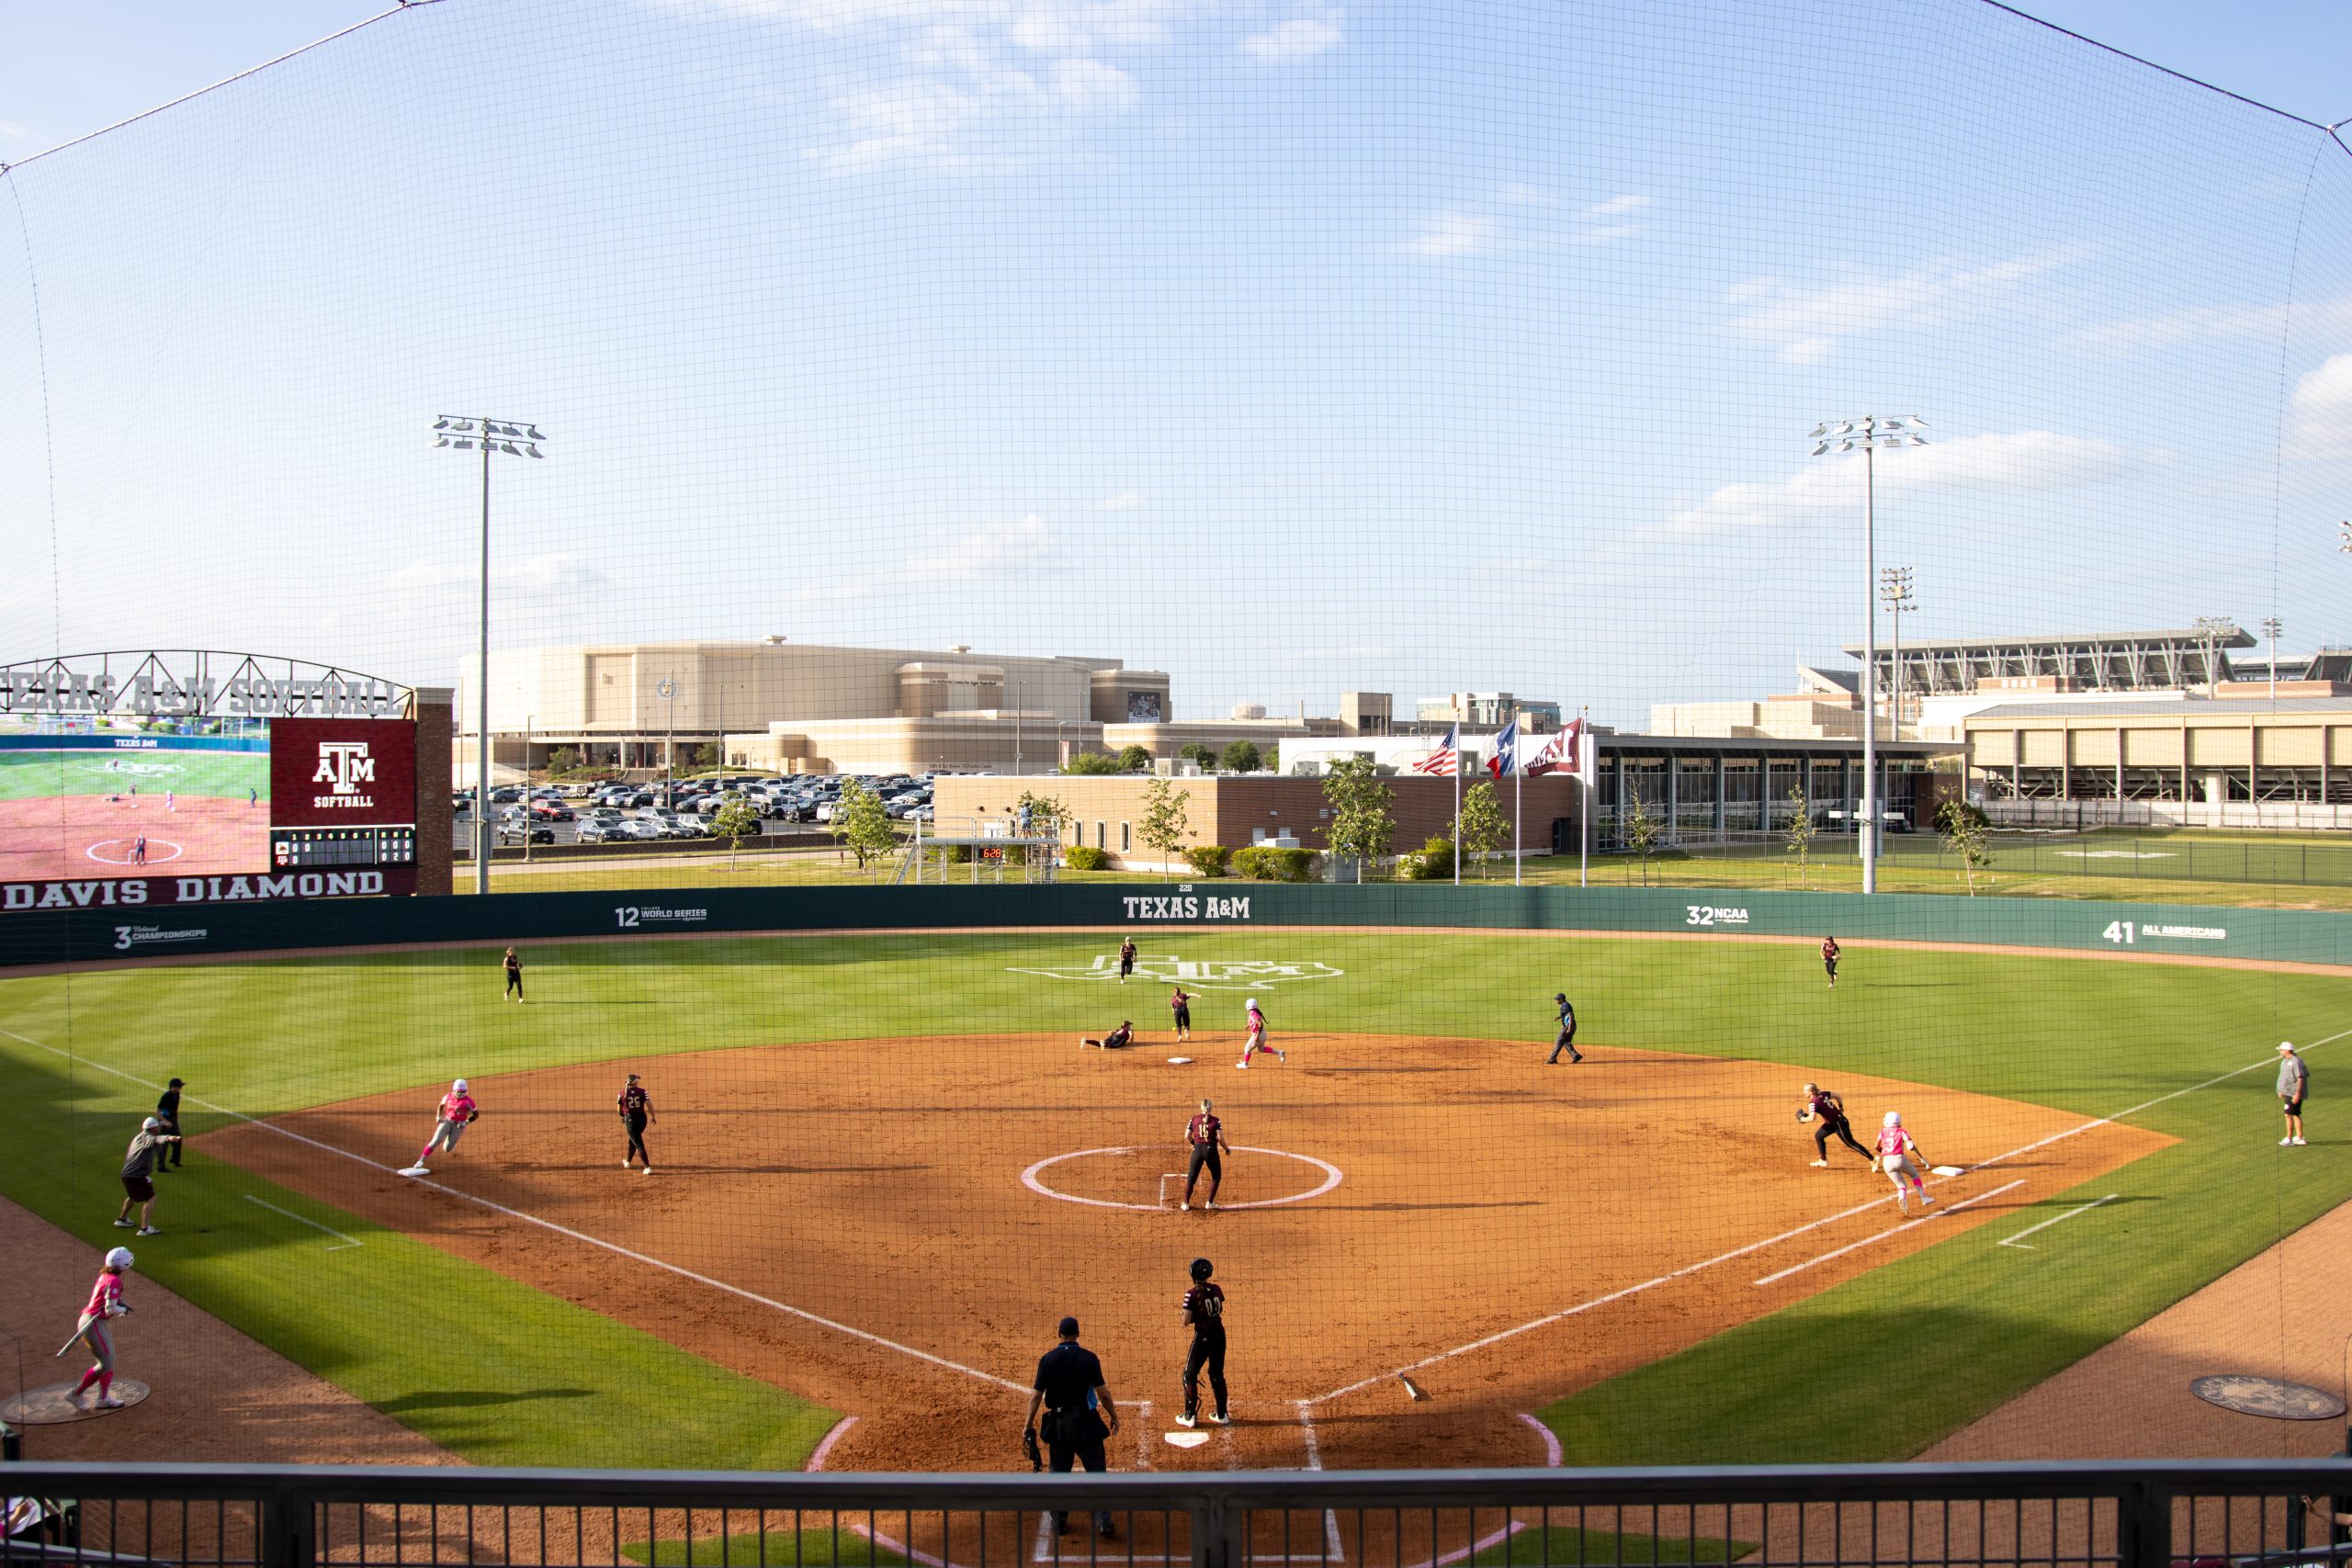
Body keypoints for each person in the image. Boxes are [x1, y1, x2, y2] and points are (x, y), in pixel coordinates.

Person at [1024, 1315, 1119, 1540]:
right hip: (1085, 1424)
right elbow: (1103, 1394)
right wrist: (1114, 1416)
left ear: (1059, 1334)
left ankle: (1059, 1522)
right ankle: (1104, 1522)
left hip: (1058, 1427)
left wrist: (1027, 1425)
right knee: (1097, 1474)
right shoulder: (1089, 1359)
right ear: (1078, 1334)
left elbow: (1036, 1396)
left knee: (1059, 1475)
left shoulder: (1047, 1360)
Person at [66, 1247, 137, 1410]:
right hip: (93, 1324)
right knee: (104, 1364)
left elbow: (112, 1300)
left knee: (108, 1362)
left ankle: (103, 1399)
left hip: (95, 1322)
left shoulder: (107, 1276)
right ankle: (75, 1394)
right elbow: (110, 1309)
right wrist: (123, 1310)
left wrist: (122, 1303)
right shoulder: (114, 1280)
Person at [1176, 1257, 1229, 1427]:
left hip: (1203, 1336)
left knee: (1189, 1375)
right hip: (1219, 1334)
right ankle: (1222, 1414)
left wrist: (1188, 1316)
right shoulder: (1216, 1289)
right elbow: (1217, 1309)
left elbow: (1185, 1321)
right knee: (1216, 1374)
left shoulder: (1190, 1294)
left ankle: (1189, 1415)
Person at [112, 1118, 180, 1235]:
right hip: (136, 1175)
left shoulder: (138, 1136)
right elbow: (154, 1140)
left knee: (133, 1196)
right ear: (153, 1128)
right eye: (158, 1127)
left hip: (127, 1174)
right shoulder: (147, 1137)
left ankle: (122, 1219)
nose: (159, 1128)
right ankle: (144, 1229)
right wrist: (169, 1138)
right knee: (150, 1198)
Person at [401, 1079, 478, 1177]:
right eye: (459, 1091)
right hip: (447, 1121)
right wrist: (438, 1116)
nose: (461, 1094)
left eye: (463, 1092)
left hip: (458, 1126)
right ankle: (420, 1161)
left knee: (447, 1149)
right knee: (435, 1141)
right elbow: (441, 1106)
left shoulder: (468, 1101)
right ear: (454, 1090)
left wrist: (466, 1122)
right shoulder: (448, 1097)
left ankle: (452, 1144)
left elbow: (476, 1115)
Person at [1800, 1082, 1873, 1168]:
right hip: (1833, 1122)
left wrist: (1802, 1119)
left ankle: (1873, 1159)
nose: (1804, 1092)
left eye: (1805, 1091)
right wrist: (1841, 1107)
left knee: (1850, 1143)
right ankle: (1823, 1161)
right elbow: (1838, 1095)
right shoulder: (1823, 1094)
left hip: (1839, 1124)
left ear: (1811, 1092)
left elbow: (1812, 1118)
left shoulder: (1813, 1103)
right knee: (1818, 1136)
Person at [1873, 1111, 1934, 1213]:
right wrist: (1922, 1159)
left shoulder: (1883, 1132)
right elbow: (1911, 1146)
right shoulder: (1902, 1131)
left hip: (1887, 1162)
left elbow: (1876, 1146)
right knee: (1914, 1175)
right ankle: (1923, 1198)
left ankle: (1902, 1199)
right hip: (1899, 1159)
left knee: (1901, 1185)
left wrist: (1883, 1151)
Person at [1182, 1098, 1229, 1212]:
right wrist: (1226, 1149)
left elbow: (1187, 1136)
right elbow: (1220, 1138)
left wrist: (1195, 1144)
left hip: (1197, 1150)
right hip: (1211, 1151)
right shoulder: (1216, 1121)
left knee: (1191, 1177)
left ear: (1201, 1108)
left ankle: (1186, 1204)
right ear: (1211, 1108)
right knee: (1216, 1176)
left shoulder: (1194, 1119)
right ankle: (1210, 1203)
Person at [618, 1073, 655, 1173]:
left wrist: (622, 1116)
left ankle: (647, 1167)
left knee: (638, 1143)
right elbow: (649, 1105)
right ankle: (628, 1162)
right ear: (636, 1083)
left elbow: (619, 1109)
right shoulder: (643, 1092)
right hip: (643, 1120)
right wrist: (653, 1116)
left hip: (631, 1121)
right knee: (633, 1140)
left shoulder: (622, 1093)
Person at [1236, 998, 1283, 1069]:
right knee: (1261, 1049)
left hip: (1258, 1035)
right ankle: (1279, 1052)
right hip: (1263, 1034)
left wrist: (1257, 1036)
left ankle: (1245, 1064)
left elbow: (1260, 1023)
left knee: (1247, 1049)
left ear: (1249, 1005)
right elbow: (1256, 1021)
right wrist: (1248, 1026)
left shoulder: (1252, 1013)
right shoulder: (1256, 1011)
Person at [2279, 1042, 2309, 1146]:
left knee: (2288, 1114)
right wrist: (2280, 1089)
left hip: (2293, 1093)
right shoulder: (2285, 1061)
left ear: (2287, 1050)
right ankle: (2300, 1137)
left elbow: (2301, 1078)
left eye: (2281, 1049)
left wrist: (2297, 1094)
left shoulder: (2296, 1062)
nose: (2280, 1051)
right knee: (2295, 1114)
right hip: (2288, 1092)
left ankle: (2289, 1139)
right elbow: (2284, 1077)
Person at [153, 1077, 186, 1171]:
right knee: (164, 1144)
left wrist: (174, 1119)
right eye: (179, 1086)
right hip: (164, 1121)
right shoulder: (166, 1096)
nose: (181, 1088)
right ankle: (161, 1166)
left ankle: (175, 1160)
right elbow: (157, 1111)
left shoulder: (177, 1094)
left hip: (173, 1121)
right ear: (173, 1087)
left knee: (178, 1140)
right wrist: (165, 1122)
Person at [1546, 992, 1582, 1065]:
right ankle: (1576, 1056)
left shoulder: (1566, 1006)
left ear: (1561, 999)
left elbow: (1571, 1016)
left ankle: (1553, 1058)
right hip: (1570, 1026)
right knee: (1566, 1042)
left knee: (1559, 1041)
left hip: (1568, 1026)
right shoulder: (1564, 1005)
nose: (1556, 1001)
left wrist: (1569, 1028)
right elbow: (1566, 1014)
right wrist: (1559, 1017)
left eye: (1557, 999)